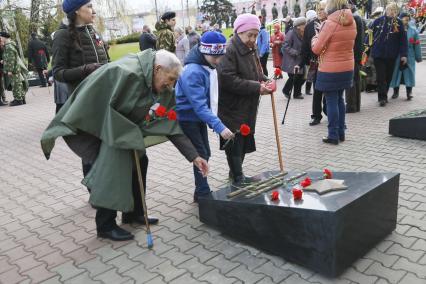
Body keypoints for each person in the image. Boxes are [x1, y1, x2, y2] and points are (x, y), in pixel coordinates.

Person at [41, 49, 209, 241]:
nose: (170, 85)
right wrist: (131, 134)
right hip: (96, 123)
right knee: (112, 167)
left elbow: (169, 124)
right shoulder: (127, 74)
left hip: (120, 128)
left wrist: (194, 156)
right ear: (158, 69)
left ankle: (134, 213)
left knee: (140, 160)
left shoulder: (158, 83)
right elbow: (108, 110)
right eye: (170, 79)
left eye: (174, 81)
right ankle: (105, 225)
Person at [53, 0, 109, 190]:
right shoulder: (62, 36)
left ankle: (111, 187)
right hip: (83, 101)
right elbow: (58, 72)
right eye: (89, 6)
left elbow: (106, 61)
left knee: (109, 144)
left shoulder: (92, 31)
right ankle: (95, 191)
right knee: (91, 148)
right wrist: (86, 69)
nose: (93, 11)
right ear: (77, 10)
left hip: (105, 97)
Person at [175, 31, 232, 202]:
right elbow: (199, 106)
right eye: (213, 56)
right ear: (203, 51)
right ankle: (202, 192)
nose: (217, 60)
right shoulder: (193, 71)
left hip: (197, 118)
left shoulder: (207, 66)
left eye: (220, 56)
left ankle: (200, 190)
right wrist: (220, 126)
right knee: (200, 153)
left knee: (205, 152)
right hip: (188, 118)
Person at [217, 14, 273, 186]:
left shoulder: (251, 47)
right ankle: (238, 177)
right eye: (249, 35)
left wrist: (265, 79)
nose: (253, 39)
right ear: (239, 32)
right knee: (234, 141)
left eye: (255, 35)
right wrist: (257, 87)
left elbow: (256, 71)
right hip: (231, 106)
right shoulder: (229, 49)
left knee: (243, 140)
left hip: (247, 104)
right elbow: (227, 78)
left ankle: (235, 174)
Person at [312, 0, 356, 145]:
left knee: (331, 100)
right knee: (340, 100)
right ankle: (341, 133)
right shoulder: (352, 21)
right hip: (347, 66)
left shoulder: (329, 23)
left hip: (330, 68)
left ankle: (333, 135)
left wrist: (316, 36)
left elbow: (317, 49)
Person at [370, 2, 408, 107]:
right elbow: (369, 37)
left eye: (395, 11)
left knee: (388, 77)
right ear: (386, 10)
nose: (392, 12)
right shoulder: (378, 21)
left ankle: (384, 94)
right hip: (379, 54)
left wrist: (403, 54)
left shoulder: (399, 23)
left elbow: (403, 41)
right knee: (381, 77)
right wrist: (367, 51)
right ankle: (382, 98)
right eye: (390, 10)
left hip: (392, 55)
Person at [298, 1, 327, 125]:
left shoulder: (332, 23)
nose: (320, 12)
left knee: (329, 89)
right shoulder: (310, 26)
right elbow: (304, 46)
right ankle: (316, 115)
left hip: (329, 61)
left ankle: (328, 109)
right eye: (318, 9)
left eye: (322, 9)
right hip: (315, 62)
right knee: (317, 89)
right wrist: (300, 63)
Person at [389, 12, 423, 100]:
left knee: (410, 74)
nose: (406, 20)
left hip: (410, 57)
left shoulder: (413, 31)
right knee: (396, 74)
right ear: (400, 19)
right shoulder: (395, 29)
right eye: (404, 18)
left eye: (408, 18)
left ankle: (409, 92)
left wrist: (418, 57)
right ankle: (395, 92)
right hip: (397, 56)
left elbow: (417, 45)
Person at [0, 32, 28, 107]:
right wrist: (4, 61)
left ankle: (18, 100)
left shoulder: (8, 47)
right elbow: (11, 58)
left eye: (1, 37)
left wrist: (10, 70)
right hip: (15, 69)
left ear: (4, 37)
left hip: (13, 70)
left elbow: (11, 59)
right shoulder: (10, 45)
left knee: (15, 85)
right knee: (18, 84)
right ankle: (22, 98)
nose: (0, 39)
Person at [345, 5, 364, 113]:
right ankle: (355, 105)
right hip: (356, 54)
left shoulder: (354, 18)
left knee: (351, 81)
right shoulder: (357, 17)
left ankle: (351, 105)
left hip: (352, 54)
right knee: (355, 80)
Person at [281, 17, 307, 99]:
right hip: (291, 60)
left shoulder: (302, 33)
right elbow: (285, 46)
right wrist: (295, 52)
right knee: (293, 76)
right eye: (303, 25)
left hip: (299, 59)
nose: (305, 26)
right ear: (298, 26)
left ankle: (297, 93)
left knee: (301, 76)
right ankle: (286, 90)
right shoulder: (291, 33)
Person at [303, 10, 317, 96]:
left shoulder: (308, 26)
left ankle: (308, 89)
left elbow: (306, 43)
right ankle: (308, 89)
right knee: (311, 72)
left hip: (310, 54)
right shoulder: (311, 25)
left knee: (310, 72)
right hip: (313, 53)